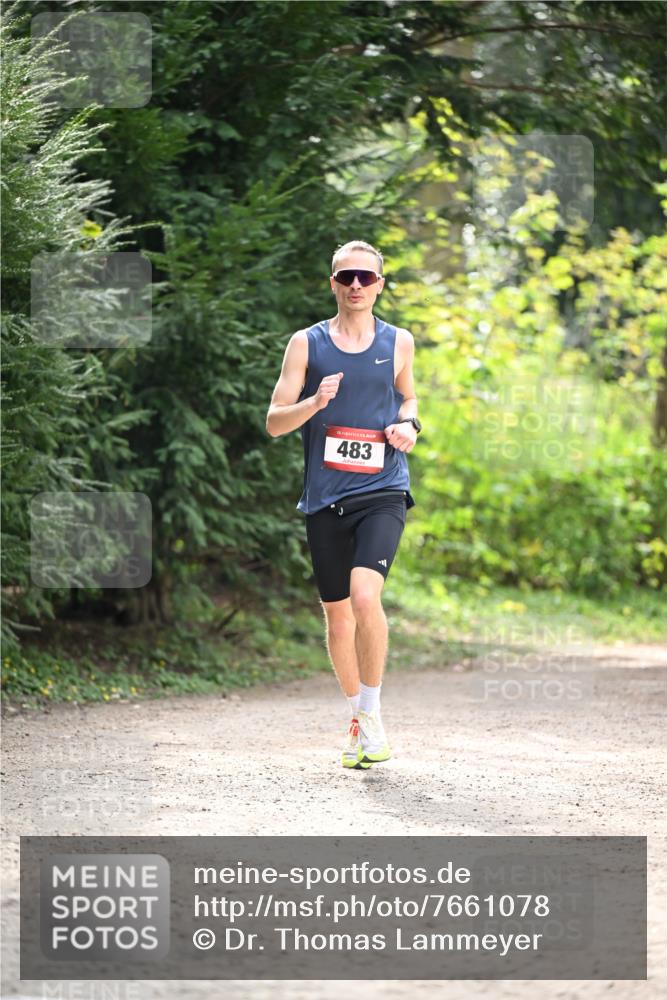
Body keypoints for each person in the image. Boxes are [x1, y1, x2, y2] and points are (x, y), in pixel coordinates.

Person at [266, 240, 420, 770]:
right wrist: (315, 402)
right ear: (333, 283)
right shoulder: (305, 345)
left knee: (363, 596)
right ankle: (357, 718)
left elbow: (408, 396)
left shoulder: (399, 341)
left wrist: (410, 425)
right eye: (346, 276)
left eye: (366, 277)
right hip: (325, 498)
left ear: (379, 285)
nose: (356, 285)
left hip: (382, 489)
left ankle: (372, 716)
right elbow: (274, 421)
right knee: (336, 618)